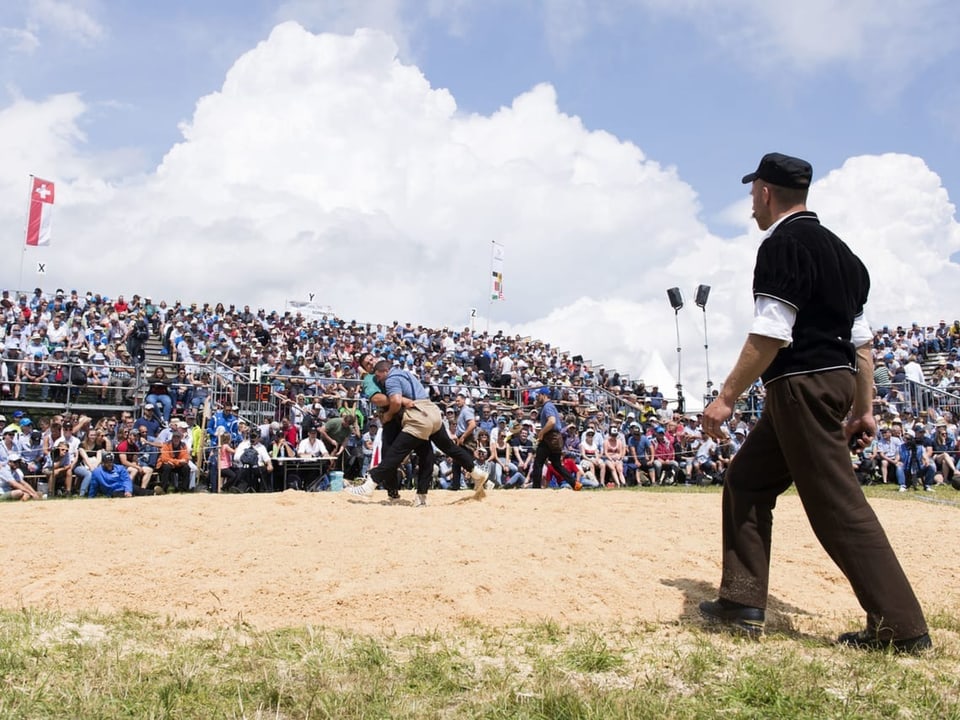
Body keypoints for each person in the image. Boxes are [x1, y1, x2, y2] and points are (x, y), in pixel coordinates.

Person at [699, 152, 930, 653]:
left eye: (752, 193)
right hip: (834, 380)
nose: (751, 204)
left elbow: (770, 333)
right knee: (746, 480)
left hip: (800, 384)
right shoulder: (845, 255)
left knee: (836, 504)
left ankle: (902, 628)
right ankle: (741, 602)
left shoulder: (781, 245)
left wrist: (725, 398)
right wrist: (863, 408)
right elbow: (862, 342)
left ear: (764, 192)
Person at [348, 360, 486, 504]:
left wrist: (388, 415)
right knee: (443, 450)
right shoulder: (408, 374)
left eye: (379, 376)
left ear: (385, 371)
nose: (378, 379)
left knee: (395, 453)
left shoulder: (391, 379)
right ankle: (475, 471)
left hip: (417, 417)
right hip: (433, 413)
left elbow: (395, 401)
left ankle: (370, 484)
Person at [530, 388, 580, 490]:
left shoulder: (547, 406)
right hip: (556, 439)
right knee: (557, 464)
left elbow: (552, 421)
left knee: (538, 463)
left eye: (538, 395)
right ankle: (575, 483)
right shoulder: (549, 406)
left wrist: (542, 433)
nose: (537, 397)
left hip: (549, 438)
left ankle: (536, 488)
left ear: (543, 395)